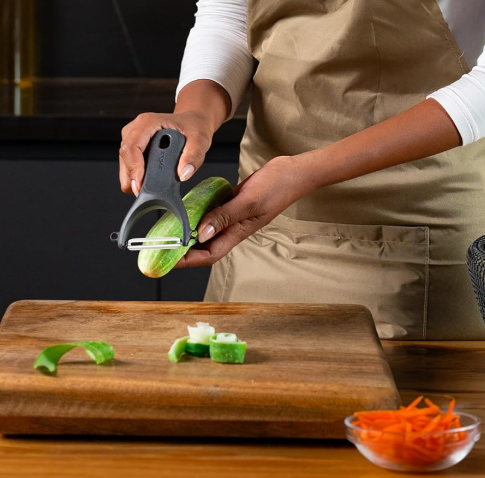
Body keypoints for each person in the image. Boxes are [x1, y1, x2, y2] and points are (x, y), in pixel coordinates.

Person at [119, 0, 485, 340]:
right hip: (258, 232)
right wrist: (195, 113)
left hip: (415, 238)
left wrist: (303, 173)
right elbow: (229, 15)